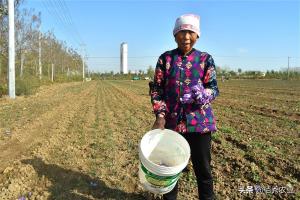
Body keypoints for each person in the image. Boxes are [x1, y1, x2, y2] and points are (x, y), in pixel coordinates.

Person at [150, 14, 219, 200]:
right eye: (182, 32)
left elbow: (213, 88)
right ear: (175, 35)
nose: (186, 37)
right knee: (170, 170)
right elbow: (157, 89)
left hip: (200, 124)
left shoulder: (205, 59)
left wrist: (205, 95)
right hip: (172, 124)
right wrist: (160, 116)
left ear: (197, 35)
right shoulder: (165, 59)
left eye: (191, 32)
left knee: (203, 170)